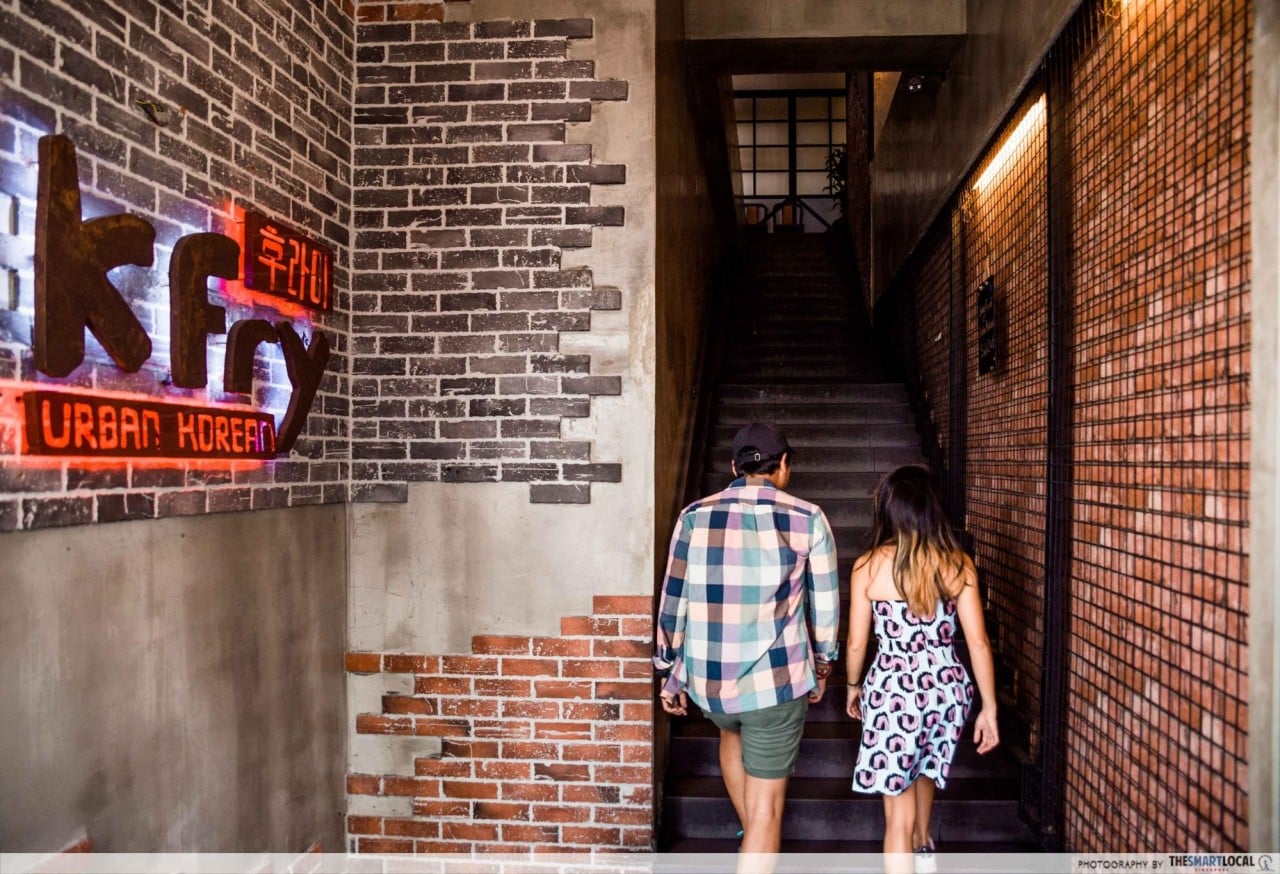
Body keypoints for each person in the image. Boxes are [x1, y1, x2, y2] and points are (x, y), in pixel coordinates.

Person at [655, 422, 841, 865]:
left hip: (712, 687)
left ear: (733, 467)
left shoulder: (693, 516)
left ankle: (752, 840)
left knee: (732, 731)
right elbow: (826, 604)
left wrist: (668, 669)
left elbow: (674, 599)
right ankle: (757, 840)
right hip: (775, 684)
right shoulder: (808, 518)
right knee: (766, 813)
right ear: (784, 465)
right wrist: (823, 662)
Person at [844, 465, 999, 874]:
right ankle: (925, 847)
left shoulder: (867, 567)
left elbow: (857, 642)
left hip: (894, 692)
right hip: (946, 692)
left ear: (889, 509)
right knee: (925, 771)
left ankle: (912, 849)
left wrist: (853, 685)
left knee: (897, 818)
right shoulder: (958, 564)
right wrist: (989, 708)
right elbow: (979, 643)